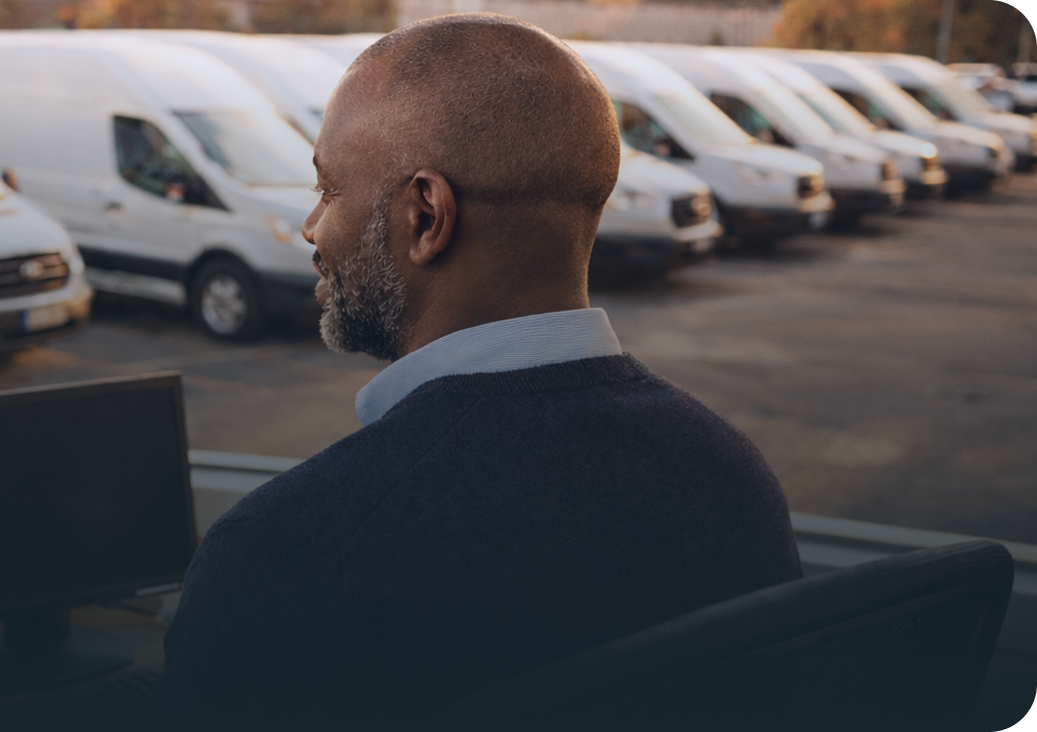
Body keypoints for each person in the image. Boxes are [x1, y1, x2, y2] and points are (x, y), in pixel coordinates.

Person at [152, 13, 802, 729]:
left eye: (330, 189)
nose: (312, 226)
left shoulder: (288, 551)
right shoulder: (735, 483)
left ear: (427, 216)